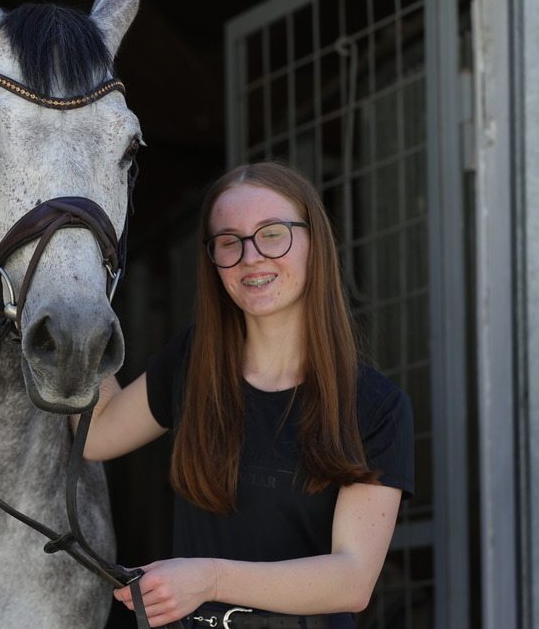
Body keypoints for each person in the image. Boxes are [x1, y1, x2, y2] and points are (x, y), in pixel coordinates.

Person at [83, 161, 415, 629]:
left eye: (272, 233)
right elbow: (97, 433)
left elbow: (352, 580)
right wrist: (80, 308)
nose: (251, 256)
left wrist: (209, 580)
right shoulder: (192, 364)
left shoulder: (376, 407)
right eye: (229, 242)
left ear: (314, 242)